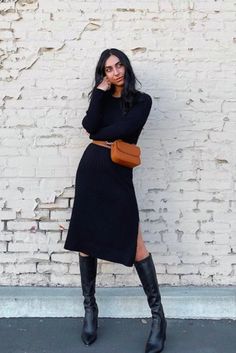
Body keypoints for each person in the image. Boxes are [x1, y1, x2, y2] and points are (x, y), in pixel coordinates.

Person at [64, 48, 167, 353]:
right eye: (108, 69)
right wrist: (98, 92)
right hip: (91, 170)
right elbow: (90, 128)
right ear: (103, 74)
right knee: (85, 241)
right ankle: (90, 310)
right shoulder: (101, 96)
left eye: (119, 65)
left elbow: (125, 130)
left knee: (136, 245)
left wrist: (100, 132)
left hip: (117, 173)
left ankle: (159, 319)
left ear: (126, 66)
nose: (116, 72)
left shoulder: (141, 100)